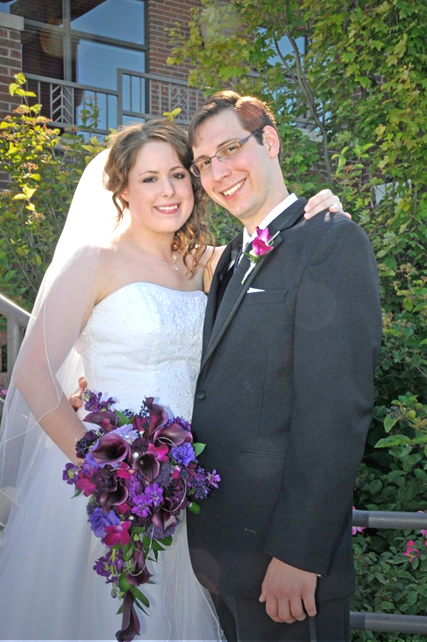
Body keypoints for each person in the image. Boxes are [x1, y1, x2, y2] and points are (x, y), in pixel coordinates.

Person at [0, 118, 342, 640]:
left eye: (179, 175)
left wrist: (319, 215)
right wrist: (102, 467)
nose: (168, 190)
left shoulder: (207, 263)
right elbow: (31, 371)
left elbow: (279, 251)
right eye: (149, 178)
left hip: (185, 489)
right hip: (111, 490)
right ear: (122, 190)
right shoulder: (95, 261)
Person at [186, 91, 382, 642]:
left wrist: (299, 552)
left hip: (285, 571)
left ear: (269, 141)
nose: (219, 173)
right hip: (219, 557)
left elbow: (336, 411)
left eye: (230, 149)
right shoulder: (230, 258)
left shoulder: (330, 241)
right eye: (204, 163)